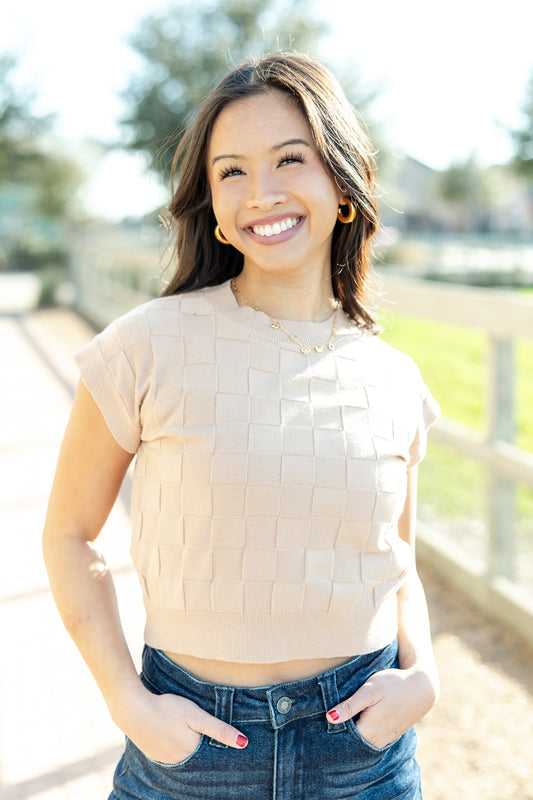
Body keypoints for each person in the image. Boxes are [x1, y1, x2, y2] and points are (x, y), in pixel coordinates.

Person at [43, 51, 440, 800]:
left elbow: (398, 559)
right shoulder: (146, 345)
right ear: (214, 207)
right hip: (189, 752)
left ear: (342, 184)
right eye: (231, 171)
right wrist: (128, 703)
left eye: (291, 159)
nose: (262, 192)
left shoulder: (393, 377)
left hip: (362, 759)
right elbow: (68, 534)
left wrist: (424, 676)